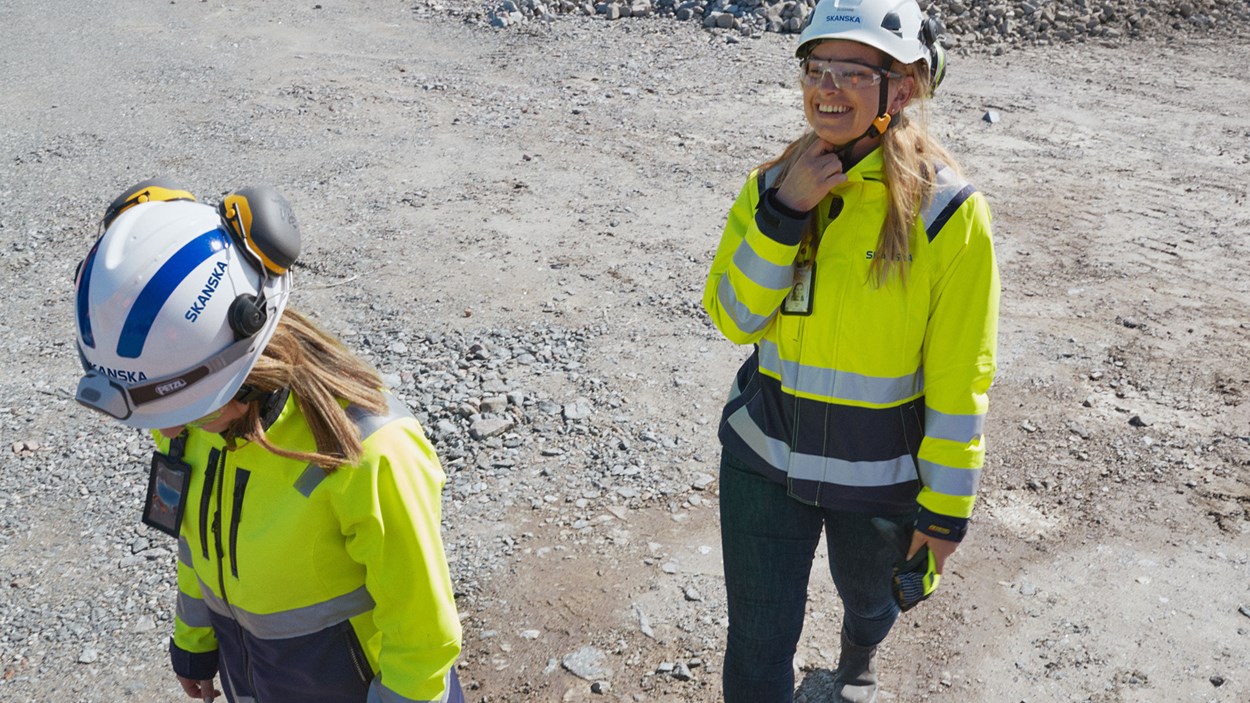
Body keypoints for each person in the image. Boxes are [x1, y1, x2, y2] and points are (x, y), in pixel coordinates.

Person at [702, 0, 1000, 700]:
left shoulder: (949, 216)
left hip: (881, 479)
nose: (824, 87)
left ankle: (857, 659)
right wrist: (783, 217)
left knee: (873, 602)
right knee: (755, 649)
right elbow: (735, 317)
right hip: (764, 461)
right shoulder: (772, 186)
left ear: (901, 88)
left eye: (849, 71)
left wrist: (946, 509)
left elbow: (963, 378)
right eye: (816, 67)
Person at [73, 180, 464, 703]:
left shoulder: (369, 450)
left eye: (181, 411)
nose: (166, 432)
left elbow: (424, 634)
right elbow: (194, 541)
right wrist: (195, 643)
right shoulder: (197, 423)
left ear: (243, 369)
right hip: (254, 678)